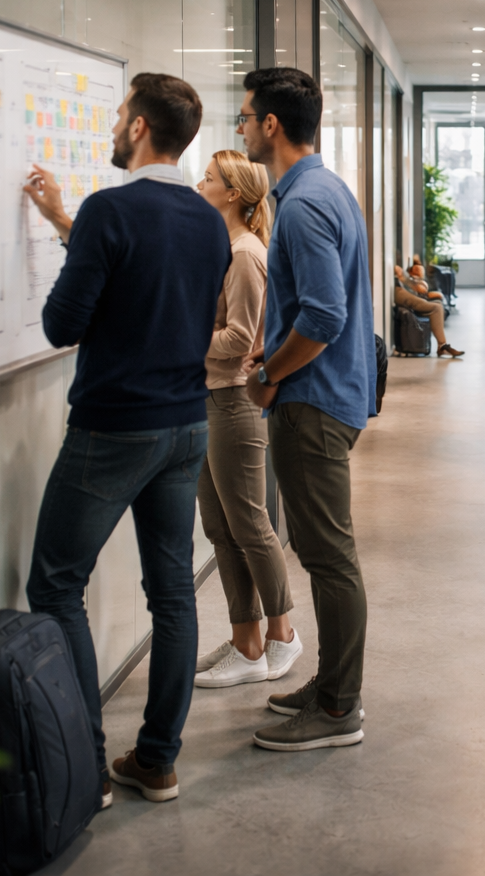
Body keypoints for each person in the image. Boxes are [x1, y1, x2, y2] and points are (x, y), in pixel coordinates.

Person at [22, 74, 230, 806]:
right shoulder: (208, 221)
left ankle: (83, 764)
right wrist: (62, 223)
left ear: (139, 127)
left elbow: (61, 326)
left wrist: (73, 241)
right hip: (186, 425)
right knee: (173, 590)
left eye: (118, 117)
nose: (113, 127)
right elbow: (155, 282)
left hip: (114, 428)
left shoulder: (112, 211)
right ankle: (157, 761)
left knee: (53, 583)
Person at [237, 66, 375, 751]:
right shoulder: (324, 190)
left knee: (329, 556)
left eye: (244, 117)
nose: (239, 128)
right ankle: (328, 688)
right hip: (328, 399)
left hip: (314, 403)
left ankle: (340, 707)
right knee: (325, 552)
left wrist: (267, 374)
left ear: (271, 124)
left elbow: (322, 316)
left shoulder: (304, 204)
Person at [191, 149, 304, 689]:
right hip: (208, 398)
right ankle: (246, 641)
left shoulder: (244, 253)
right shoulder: (223, 247)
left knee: (251, 525)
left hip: (233, 403)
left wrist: (180, 340)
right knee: (221, 528)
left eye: (209, 178)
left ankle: (281, 635)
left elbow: (242, 338)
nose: (199, 182)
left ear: (233, 193)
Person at [393, 263, 464, 357]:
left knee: (438, 305)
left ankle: (442, 345)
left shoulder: (407, 275)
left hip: (404, 290)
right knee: (436, 307)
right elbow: (417, 287)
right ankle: (442, 346)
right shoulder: (399, 271)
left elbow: (419, 288)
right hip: (400, 292)